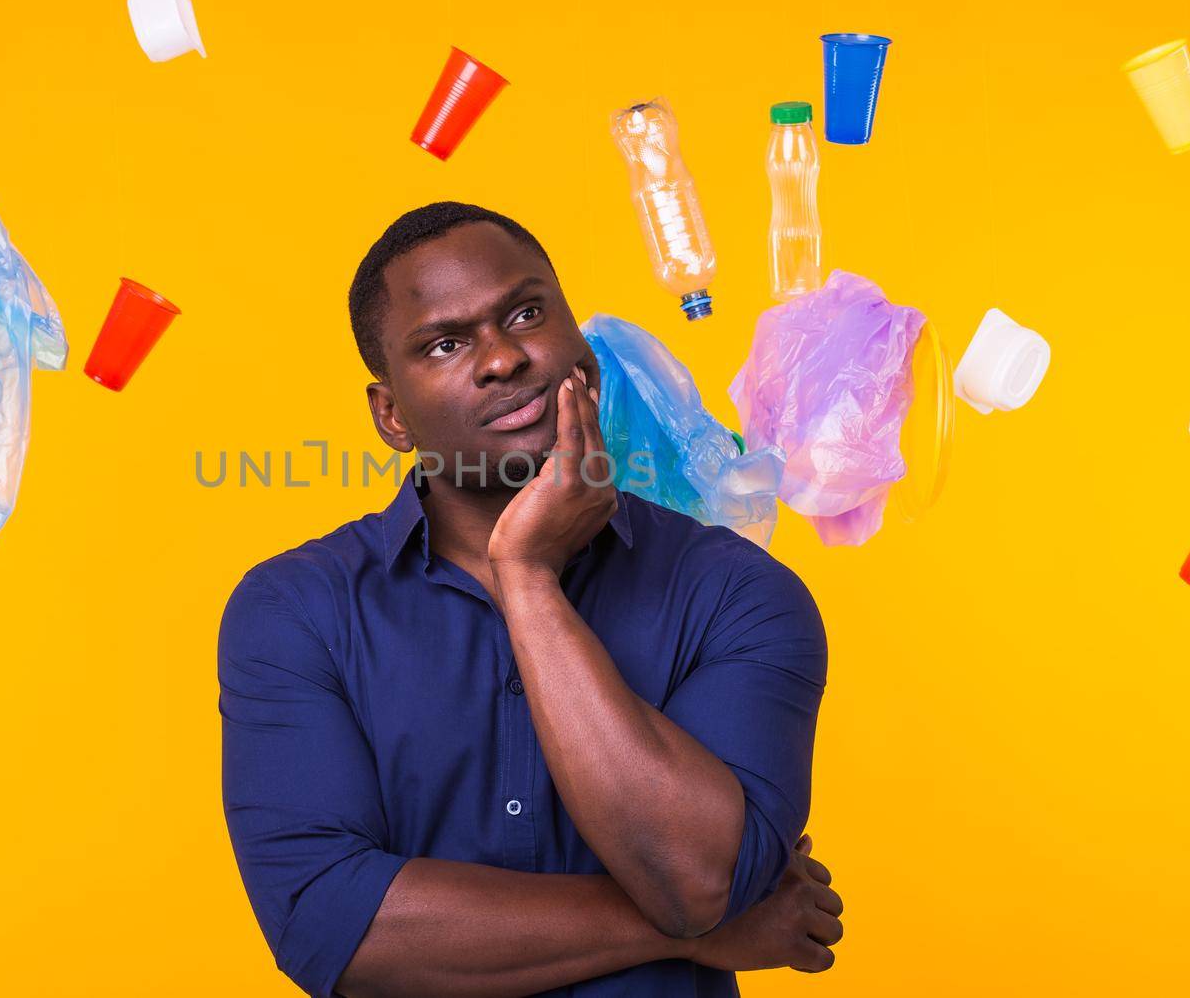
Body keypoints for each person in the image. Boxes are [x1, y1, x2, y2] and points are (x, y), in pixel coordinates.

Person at [219, 202, 840, 998]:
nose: (502, 358)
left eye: (525, 313)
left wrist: (527, 577)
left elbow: (694, 880)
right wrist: (702, 934)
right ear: (391, 415)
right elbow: (329, 924)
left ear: (581, 348)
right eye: (446, 343)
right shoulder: (295, 611)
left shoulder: (736, 594)